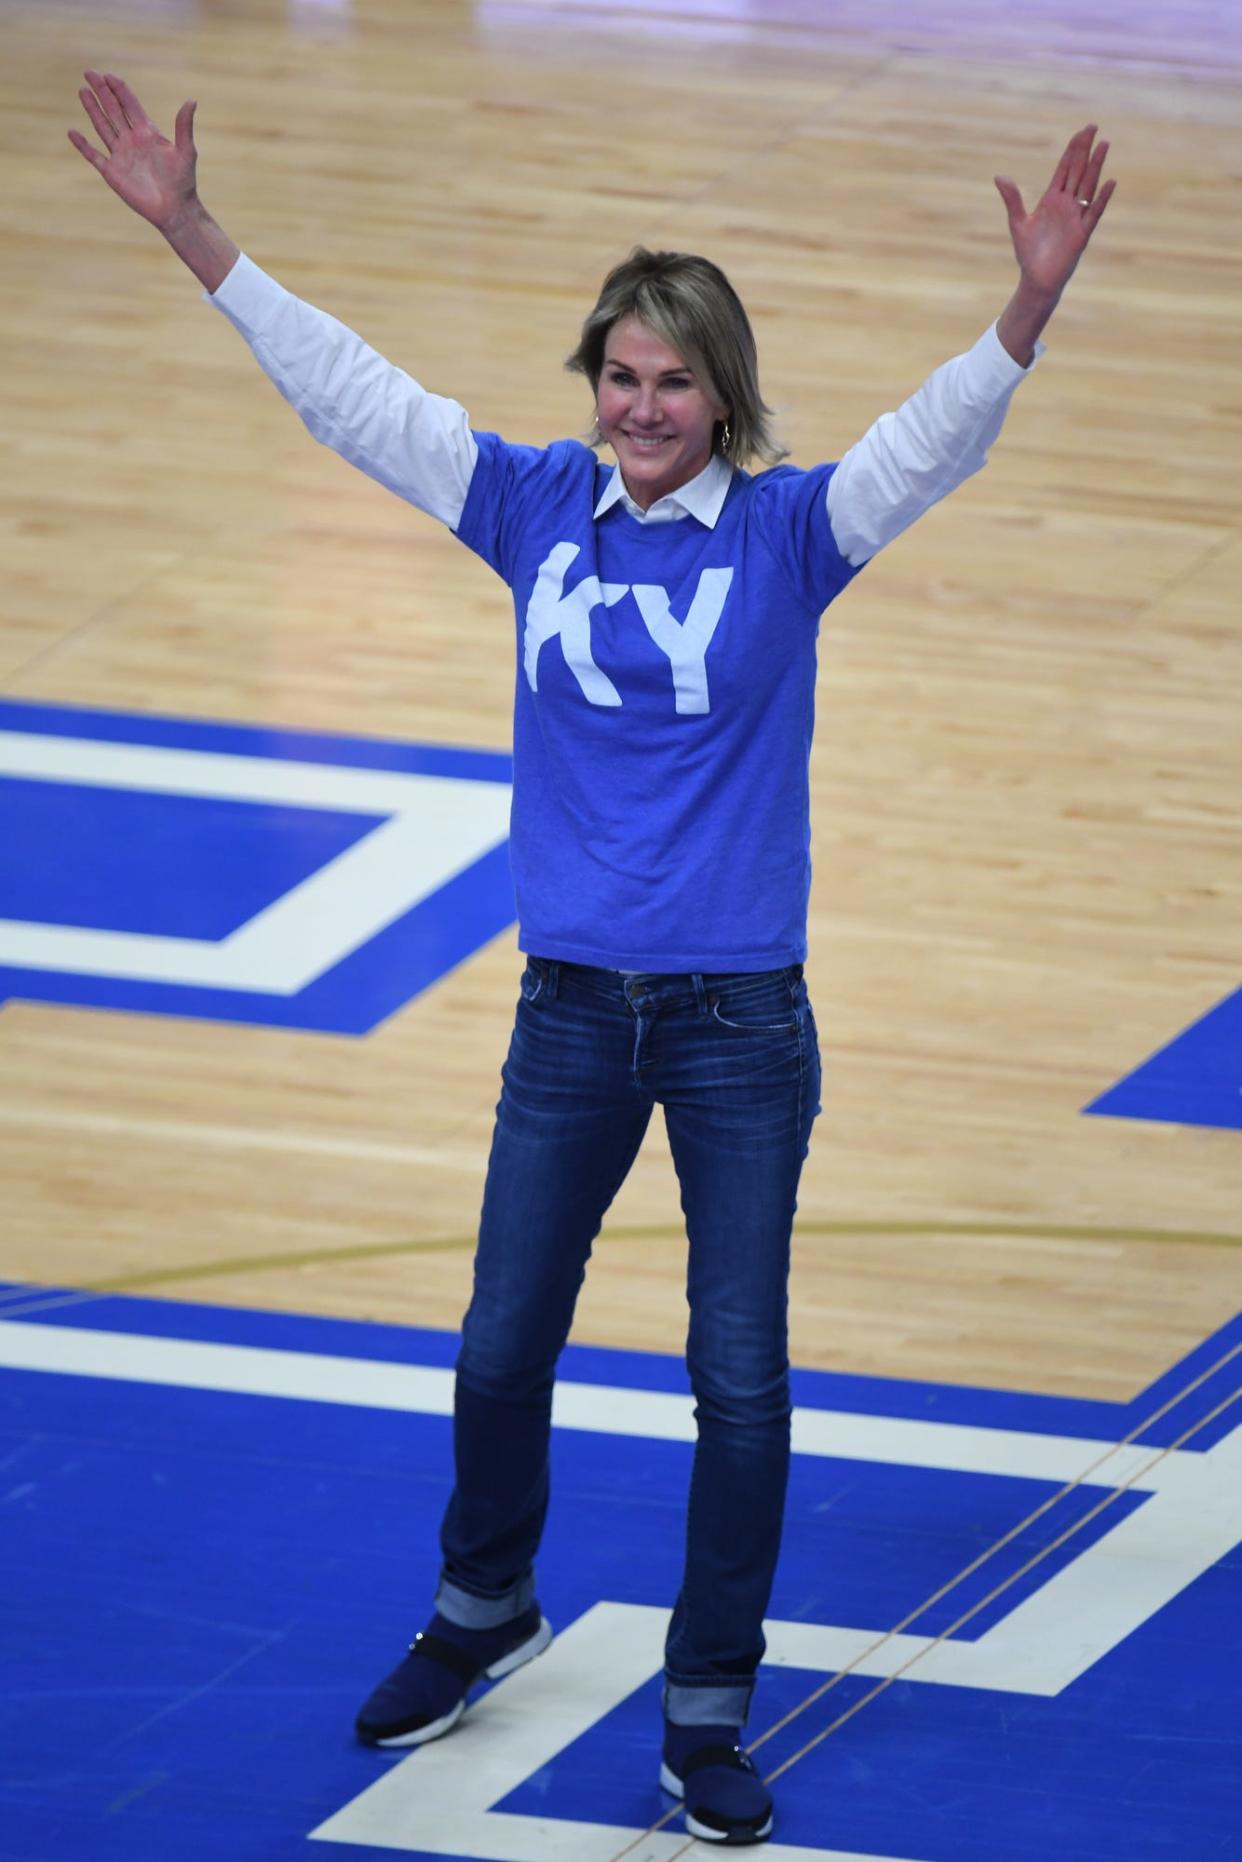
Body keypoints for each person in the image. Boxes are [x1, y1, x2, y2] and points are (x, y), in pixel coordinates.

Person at [70, 71, 1114, 1846]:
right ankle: (484, 1604)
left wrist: (1023, 308)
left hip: (733, 1031)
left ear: (724, 395)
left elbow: (929, 440)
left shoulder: (791, 535)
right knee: (496, 1348)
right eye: (618, 376)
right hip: (568, 1016)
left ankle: (706, 1707)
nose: (640, 407)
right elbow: (359, 400)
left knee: (738, 1377)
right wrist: (191, 231)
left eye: (672, 380)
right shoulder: (535, 506)